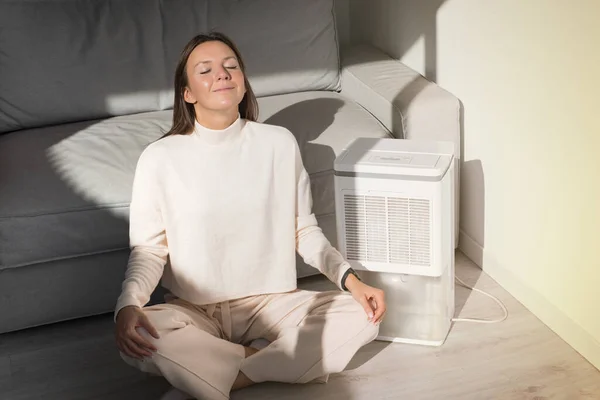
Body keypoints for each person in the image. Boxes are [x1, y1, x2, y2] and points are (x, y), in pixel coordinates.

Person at [114, 31, 386, 400]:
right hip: (196, 309)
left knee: (363, 317)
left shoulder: (278, 143)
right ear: (188, 93)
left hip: (273, 302)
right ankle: (268, 362)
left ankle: (225, 374)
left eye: (231, 67)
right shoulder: (160, 158)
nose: (222, 74)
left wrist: (351, 280)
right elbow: (148, 251)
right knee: (143, 333)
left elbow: (303, 229)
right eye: (205, 70)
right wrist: (129, 303)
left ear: (243, 84)